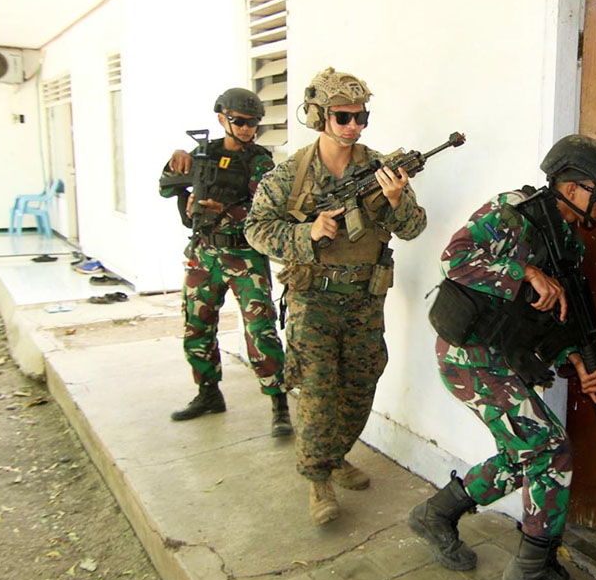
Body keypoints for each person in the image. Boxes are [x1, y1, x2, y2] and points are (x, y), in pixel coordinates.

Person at [409, 135, 596, 580]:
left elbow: (554, 320)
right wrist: (524, 272)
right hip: (469, 355)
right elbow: (454, 258)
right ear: (572, 187)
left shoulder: (569, 246)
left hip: (503, 357)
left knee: (526, 452)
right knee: (549, 449)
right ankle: (532, 572)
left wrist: (579, 364)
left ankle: (436, 514)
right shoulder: (515, 212)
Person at [244, 67, 426, 525]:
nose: (353, 126)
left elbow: (414, 227)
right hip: (313, 302)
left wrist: (397, 201)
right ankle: (317, 480)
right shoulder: (291, 174)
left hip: (365, 299)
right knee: (318, 392)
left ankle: (336, 454)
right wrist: (306, 234)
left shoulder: (380, 167)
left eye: (361, 117)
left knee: (361, 385)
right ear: (318, 116)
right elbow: (255, 229)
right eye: (343, 117)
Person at [159, 87, 289, 436]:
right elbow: (166, 187)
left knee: (260, 329)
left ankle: (278, 402)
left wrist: (225, 210)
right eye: (240, 122)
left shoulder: (260, 161)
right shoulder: (203, 154)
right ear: (222, 119)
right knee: (196, 325)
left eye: (253, 123)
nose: (247, 129)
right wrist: (176, 162)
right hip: (204, 253)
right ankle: (208, 393)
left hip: (244, 255)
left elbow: (266, 210)